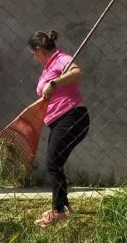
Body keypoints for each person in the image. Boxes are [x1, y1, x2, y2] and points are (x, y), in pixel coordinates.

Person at [29, 29, 90, 227]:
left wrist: (54, 83)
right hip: (60, 120)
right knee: (55, 163)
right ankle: (62, 207)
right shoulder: (48, 68)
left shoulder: (61, 59)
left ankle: (58, 211)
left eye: (33, 53)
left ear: (38, 50)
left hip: (72, 117)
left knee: (53, 164)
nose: (33, 57)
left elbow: (77, 73)